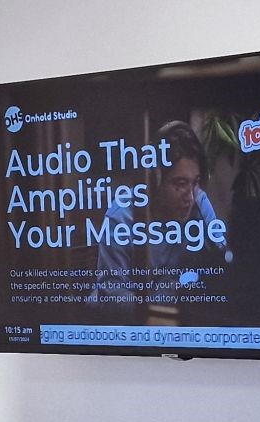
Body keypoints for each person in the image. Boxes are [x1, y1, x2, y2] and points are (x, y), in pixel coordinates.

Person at [94, 121, 227, 320]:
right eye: (180, 183)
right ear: (153, 179)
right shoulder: (121, 217)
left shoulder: (197, 200)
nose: (190, 196)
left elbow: (222, 262)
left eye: (195, 182)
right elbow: (112, 296)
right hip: (127, 327)